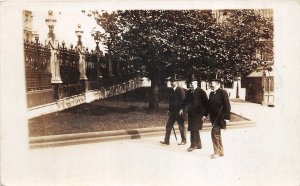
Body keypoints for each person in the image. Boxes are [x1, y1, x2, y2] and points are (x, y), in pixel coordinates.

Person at [206, 78, 231, 159]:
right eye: (210, 83)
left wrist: (227, 118)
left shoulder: (222, 92)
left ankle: (217, 152)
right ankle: (220, 151)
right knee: (217, 134)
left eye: (212, 83)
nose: (210, 84)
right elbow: (209, 106)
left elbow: (227, 105)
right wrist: (204, 115)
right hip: (214, 118)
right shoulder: (211, 93)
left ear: (217, 83)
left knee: (214, 133)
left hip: (220, 117)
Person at [184, 78, 209, 152]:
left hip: (199, 114)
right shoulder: (189, 92)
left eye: (192, 84)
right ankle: (198, 144)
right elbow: (185, 101)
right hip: (191, 113)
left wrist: (205, 115)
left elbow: (207, 104)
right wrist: (181, 108)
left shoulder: (201, 92)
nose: (191, 85)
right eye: (190, 84)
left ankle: (193, 145)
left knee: (193, 129)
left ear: (196, 84)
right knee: (194, 128)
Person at [160, 77, 187, 145]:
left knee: (181, 126)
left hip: (179, 111)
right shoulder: (172, 90)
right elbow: (171, 101)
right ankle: (166, 141)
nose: (172, 83)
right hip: (172, 112)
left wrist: (182, 109)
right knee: (168, 125)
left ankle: (184, 140)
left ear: (177, 82)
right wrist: (169, 109)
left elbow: (183, 101)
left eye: (173, 81)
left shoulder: (180, 90)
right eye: (171, 81)